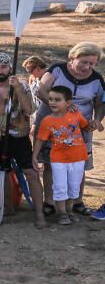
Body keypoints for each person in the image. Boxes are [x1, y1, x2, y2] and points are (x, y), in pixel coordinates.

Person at [36, 42, 105, 218]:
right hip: (52, 123)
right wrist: (60, 109)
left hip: (80, 127)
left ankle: (76, 201)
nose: (88, 67)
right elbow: (41, 90)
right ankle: (50, 202)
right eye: (84, 62)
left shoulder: (97, 79)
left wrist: (97, 119)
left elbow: (100, 102)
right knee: (51, 163)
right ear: (72, 58)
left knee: (79, 165)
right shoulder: (57, 70)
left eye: (92, 63)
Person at [0, 52, 47, 228]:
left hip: (19, 138)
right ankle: (8, 207)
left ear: (10, 68)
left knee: (31, 173)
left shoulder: (21, 87)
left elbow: (29, 109)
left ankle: (40, 214)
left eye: (3, 67)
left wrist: (17, 88)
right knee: (4, 173)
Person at [34, 85, 88, 225]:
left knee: (73, 187)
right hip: (58, 160)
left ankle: (69, 211)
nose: (52, 102)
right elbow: (40, 139)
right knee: (60, 187)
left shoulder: (76, 114)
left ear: (68, 102)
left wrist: (94, 124)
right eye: (51, 99)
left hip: (78, 158)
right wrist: (34, 156)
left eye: (57, 99)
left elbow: (86, 126)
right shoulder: (47, 121)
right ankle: (62, 214)